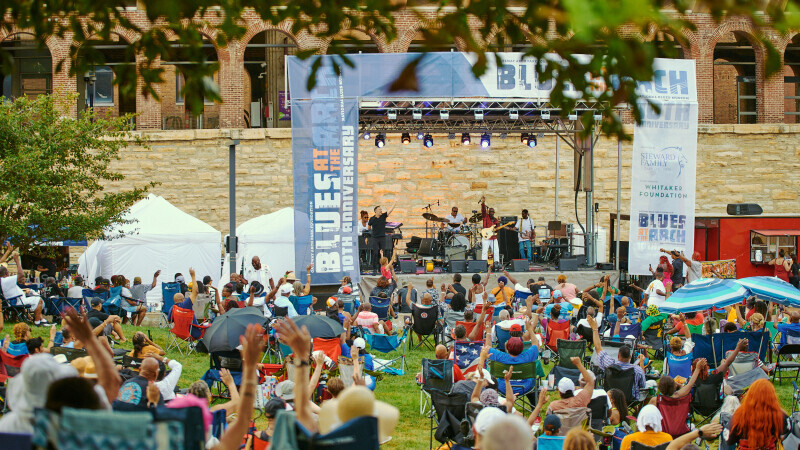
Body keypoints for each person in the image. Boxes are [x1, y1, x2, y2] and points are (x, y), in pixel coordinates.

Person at [587, 315, 647, 401]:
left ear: (618, 355)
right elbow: (642, 386)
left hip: (612, 398)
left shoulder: (610, 364)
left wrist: (595, 329)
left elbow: (598, 347)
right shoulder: (637, 370)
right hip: (630, 399)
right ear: (630, 356)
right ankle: (637, 412)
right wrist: (641, 363)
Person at [728, 378, 790, 448]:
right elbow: (785, 436)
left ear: (750, 395)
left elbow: (730, 441)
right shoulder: (779, 416)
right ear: (772, 396)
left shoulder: (739, 415)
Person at [0, 251, 46, 325]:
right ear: (6, 273)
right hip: (16, 301)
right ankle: (37, 322)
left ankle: (41, 320)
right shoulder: (5, 280)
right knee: (39, 300)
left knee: (36, 299)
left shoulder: (2, 281)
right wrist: (17, 262)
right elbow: (21, 276)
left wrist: (8, 250)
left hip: (14, 300)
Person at [368, 203, 396, 271]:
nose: (381, 210)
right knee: (375, 253)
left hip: (382, 238)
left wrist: (395, 202)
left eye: (381, 209)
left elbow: (390, 210)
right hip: (375, 238)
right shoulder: (372, 219)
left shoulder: (383, 216)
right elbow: (368, 228)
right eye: (379, 209)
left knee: (383, 253)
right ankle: (375, 268)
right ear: (375, 211)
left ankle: (382, 268)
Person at [479, 195, 500, 262]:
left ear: (494, 213)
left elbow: (497, 229)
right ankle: (484, 264)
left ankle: (496, 264)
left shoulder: (495, 220)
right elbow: (483, 210)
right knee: (485, 251)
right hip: (486, 237)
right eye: (490, 212)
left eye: (492, 212)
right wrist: (483, 203)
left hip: (493, 237)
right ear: (488, 212)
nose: (491, 213)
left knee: (496, 251)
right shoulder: (485, 217)